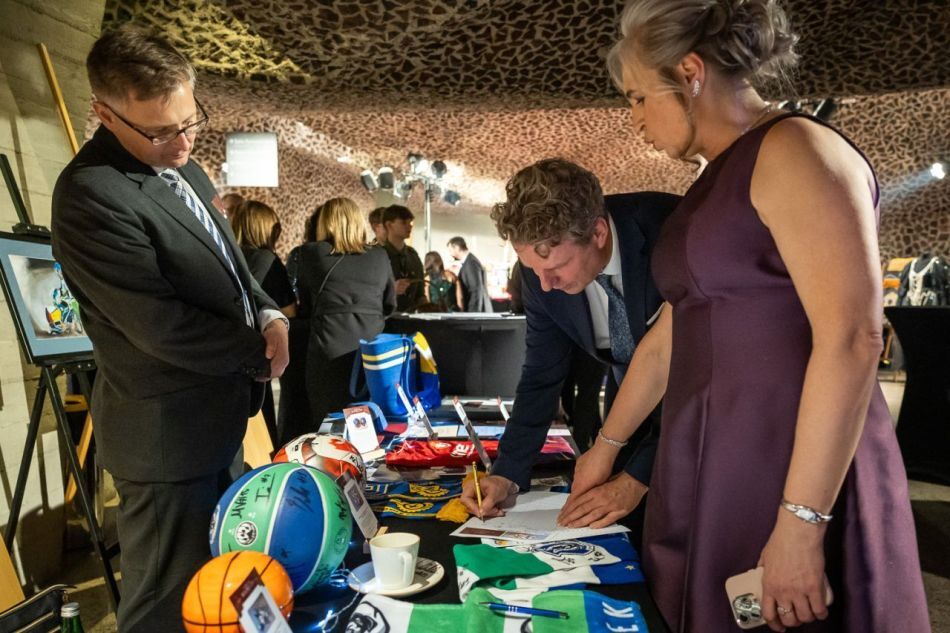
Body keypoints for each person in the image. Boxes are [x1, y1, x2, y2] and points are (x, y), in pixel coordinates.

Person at [575, 1, 930, 630]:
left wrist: (802, 523)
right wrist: (604, 448)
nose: (635, 120)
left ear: (690, 73)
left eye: (638, 98)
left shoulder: (794, 148)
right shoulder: (720, 173)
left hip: (789, 463)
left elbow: (853, 337)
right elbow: (670, 337)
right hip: (715, 458)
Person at [50, 26, 289, 632]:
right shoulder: (90, 193)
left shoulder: (187, 170)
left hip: (214, 418)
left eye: (190, 122)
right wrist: (256, 351)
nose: (182, 142)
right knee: (163, 605)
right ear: (105, 114)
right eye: (160, 131)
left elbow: (233, 267)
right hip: (165, 436)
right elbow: (158, 325)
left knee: (215, 594)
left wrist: (269, 313)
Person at [459, 159, 680, 547]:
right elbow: (541, 374)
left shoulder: (673, 230)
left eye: (557, 267)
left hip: (701, 408)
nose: (545, 285)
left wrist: (639, 475)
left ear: (598, 232)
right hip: (625, 402)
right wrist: (507, 472)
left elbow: (699, 372)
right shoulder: (540, 276)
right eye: (533, 269)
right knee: (619, 525)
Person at [296, 197, 396, 426]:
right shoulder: (379, 255)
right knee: (372, 422)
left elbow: (306, 305)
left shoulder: (310, 253)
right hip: (371, 352)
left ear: (325, 222)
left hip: (328, 349)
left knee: (327, 423)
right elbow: (390, 304)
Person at [230, 199, 297, 445]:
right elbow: (289, 309)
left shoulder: (230, 258)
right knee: (263, 418)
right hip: (262, 350)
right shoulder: (268, 259)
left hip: (232, 349)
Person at [278, 203, 325, 445]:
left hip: (300, 335)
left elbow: (295, 296)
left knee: (297, 403)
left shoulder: (303, 254)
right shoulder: (306, 255)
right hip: (315, 337)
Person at [382, 205, 425, 312]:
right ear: (389, 225)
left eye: (410, 223)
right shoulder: (378, 256)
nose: (409, 226)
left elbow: (420, 293)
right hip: (385, 316)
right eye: (403, 222)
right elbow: (368, 294)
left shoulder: (413, 256)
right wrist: (392, 290)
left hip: (411, 317)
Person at [447, 236, 493, 312]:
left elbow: (476, 290)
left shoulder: (471, 263)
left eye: (450, 250)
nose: (450, 254)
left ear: (457, 248)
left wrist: (473, 313)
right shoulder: (469, 261)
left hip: (477, 311)